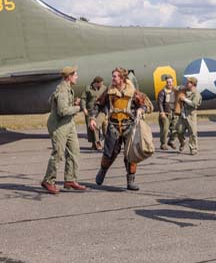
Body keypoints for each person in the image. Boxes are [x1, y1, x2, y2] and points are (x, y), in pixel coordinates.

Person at [89, 67, 147, 190]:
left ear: (122, 78)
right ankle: (103, 171)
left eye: (115, 76)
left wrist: (141, 109)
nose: (112, 78)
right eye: (113, 76)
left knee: (131, 155)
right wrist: (93, 118)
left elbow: (143, 104)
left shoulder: (133, 91)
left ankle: (130, 181)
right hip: (113, 126)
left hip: (129, 126)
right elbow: (98, 105)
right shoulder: (109, 92)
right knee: (109, 154)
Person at [41, 66, 86, 194]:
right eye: (75, 74)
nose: (77, 77)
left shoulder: (69, 89)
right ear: (69, 76)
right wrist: (78, 108)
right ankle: (48, 181)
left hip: (69, 124)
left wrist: (74, 104)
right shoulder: (62, 90)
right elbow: (62, 111)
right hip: (59, 125)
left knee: (74, 151)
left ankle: (70, 180)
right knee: (58, 154)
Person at [176, 77, 202, 155]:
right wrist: (181, 87)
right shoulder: (184, 90)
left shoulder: (196, 94)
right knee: (179, 131)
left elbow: (194, 104)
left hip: (191, 116)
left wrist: (184, 99)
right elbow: (176, 88)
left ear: (193, 84)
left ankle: (193, 148)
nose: (187, 83)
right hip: (182, 116)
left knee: (193, 133)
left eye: (189, 82)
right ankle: (182, 141)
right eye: (187, 82)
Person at [81, 76, 108, 150]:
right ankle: (94, 144)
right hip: (90, 111)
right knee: (90, 128)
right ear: (96, 83)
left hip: (100, 110)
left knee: (98, 126)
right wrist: (84, 108)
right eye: (100, 83)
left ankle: (98, 142)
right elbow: (83, 99)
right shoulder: (88, 88)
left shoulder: (104, 88)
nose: (102, 85)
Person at [157, 76, 178, 150]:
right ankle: (163, 144)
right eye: (168, 82)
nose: (169, 83)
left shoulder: (175, 92)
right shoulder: (162, 92)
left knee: (176, 128)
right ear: (166, 83)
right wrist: (162, 112)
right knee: (165, 129)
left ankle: (171, 141)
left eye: (170, 82)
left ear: (173, 82)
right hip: (165, 114)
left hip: (173, 113)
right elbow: (160, 103)